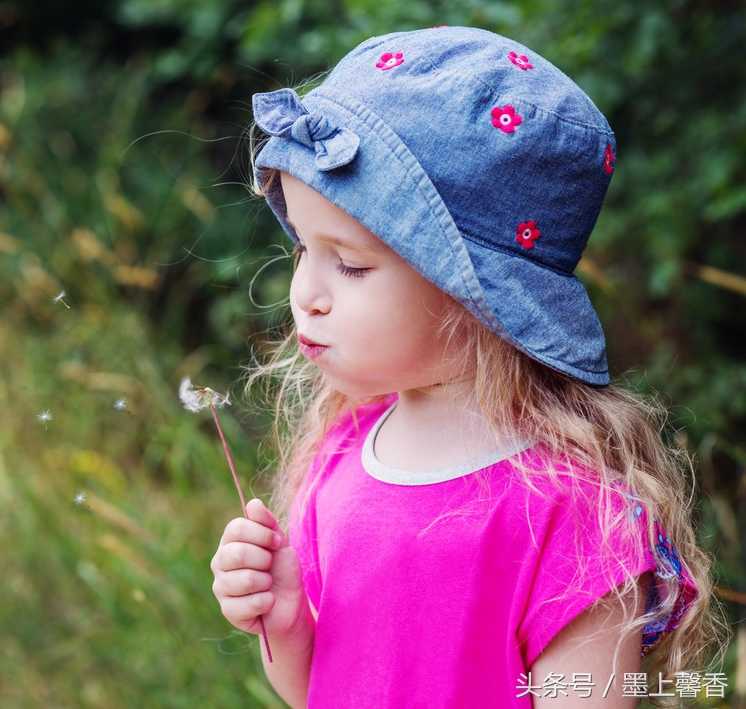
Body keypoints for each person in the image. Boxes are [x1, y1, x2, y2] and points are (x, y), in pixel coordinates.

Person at [209, 26, 719, 707]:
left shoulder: (566, 514)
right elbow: (324, 689)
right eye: (303, 247)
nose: (305, 292)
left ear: (477, 293)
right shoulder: (340, 456)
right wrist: (289, 626)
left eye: (351, 263)